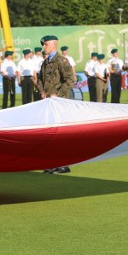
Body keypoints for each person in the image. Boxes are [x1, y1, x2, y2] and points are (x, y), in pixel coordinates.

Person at [37, 35, 76, 174]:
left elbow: (70, 80)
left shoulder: (62, 61)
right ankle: (52, 163)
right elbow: (40, 80)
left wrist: (57, 94)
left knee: (60, 135)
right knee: (49, 135)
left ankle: (64, 164)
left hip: (60, 103)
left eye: (45, 44)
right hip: (47, 103)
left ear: (54, 45)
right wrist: (41, 92)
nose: (43, 47)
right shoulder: (45, 62)